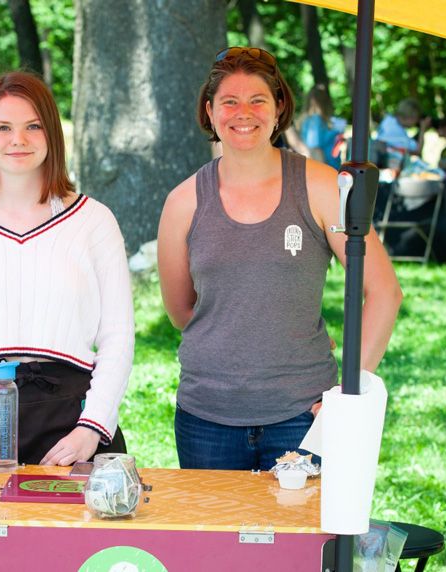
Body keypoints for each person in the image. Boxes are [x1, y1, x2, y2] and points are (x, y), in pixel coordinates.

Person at [157, 47, 402, 471]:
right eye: (229, 101)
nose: (243, 112)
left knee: (308, 539)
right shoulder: (182, 202)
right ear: (210, 111)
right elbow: (182, 312)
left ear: (279, 107)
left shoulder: (322, 188)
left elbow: (383, 291)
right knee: (216, 539)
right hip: (206, 420)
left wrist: (349, 392)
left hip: (303, 416)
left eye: (257, 100)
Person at [0, 71, 134, 466]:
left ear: (51, 134)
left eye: (32, 126)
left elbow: (117, 336)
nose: (17, 140)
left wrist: (92, 427)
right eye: (3, 127)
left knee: (71, 529)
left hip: (71, 418)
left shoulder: (94, 221)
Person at [376, 98, 431, 164]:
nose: (416, 122)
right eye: (416, 118)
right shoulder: (395, 130)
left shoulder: (389, 121)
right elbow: (417, 151)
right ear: (409, 117)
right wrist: (422, 130)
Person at [300, 85, 343, 169]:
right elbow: (315, 150)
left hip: (326, 170)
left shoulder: (311, 120)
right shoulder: (316, 121)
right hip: (327, 171)